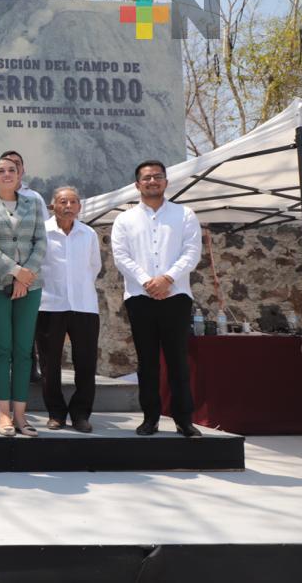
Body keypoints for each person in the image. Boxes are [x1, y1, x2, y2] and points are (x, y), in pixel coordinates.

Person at [111, 160, 203, 437]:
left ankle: (184, 419)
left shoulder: (184, 214)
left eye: (158, 177)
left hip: (176, 296)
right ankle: (150, 418)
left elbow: (191, 252)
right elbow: (121, 256)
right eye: (147, 178)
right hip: (140, 296)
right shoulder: (124, 219)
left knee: (177, 360)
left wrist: (167, 279)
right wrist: (147, 281)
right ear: (137, 184)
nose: (153, 181)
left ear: (165, 181)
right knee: (147, 361)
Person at [0, 156, 47, 437]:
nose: (7, 174)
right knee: (1, 348)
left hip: (30, 285)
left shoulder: (34, 203)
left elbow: (40, 240)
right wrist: (15, 271)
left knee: (23, 350)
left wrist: (26, 274)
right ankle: (3, 413)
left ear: (20, 175)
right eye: (0, 171)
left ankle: (21, 414)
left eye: (12, 170)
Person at [36, 186, 101, 433]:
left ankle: (81, 414)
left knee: (86, 362)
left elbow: (94, 266)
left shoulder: (88, 234)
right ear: (53, 205)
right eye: (63, 201)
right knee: (49, 363)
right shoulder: (42, 231)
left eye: (74, 202)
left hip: (84, 305)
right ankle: (56, 413)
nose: (69, 206)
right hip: (49, 304)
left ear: (79, 207)